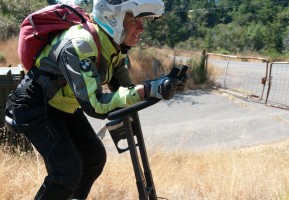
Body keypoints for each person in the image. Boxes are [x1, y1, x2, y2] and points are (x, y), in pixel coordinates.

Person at [7, 0, 185, 199]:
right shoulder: (81, 43)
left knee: (93, 158)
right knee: (66, 172)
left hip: (60, 105)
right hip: (34, 104)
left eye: (143, 20)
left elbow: (125, 91)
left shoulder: (113, 46)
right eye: (135, 20)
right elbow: (96, 105)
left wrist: (159, 85)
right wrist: (146, 90)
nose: (141, 27)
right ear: (113, 18)